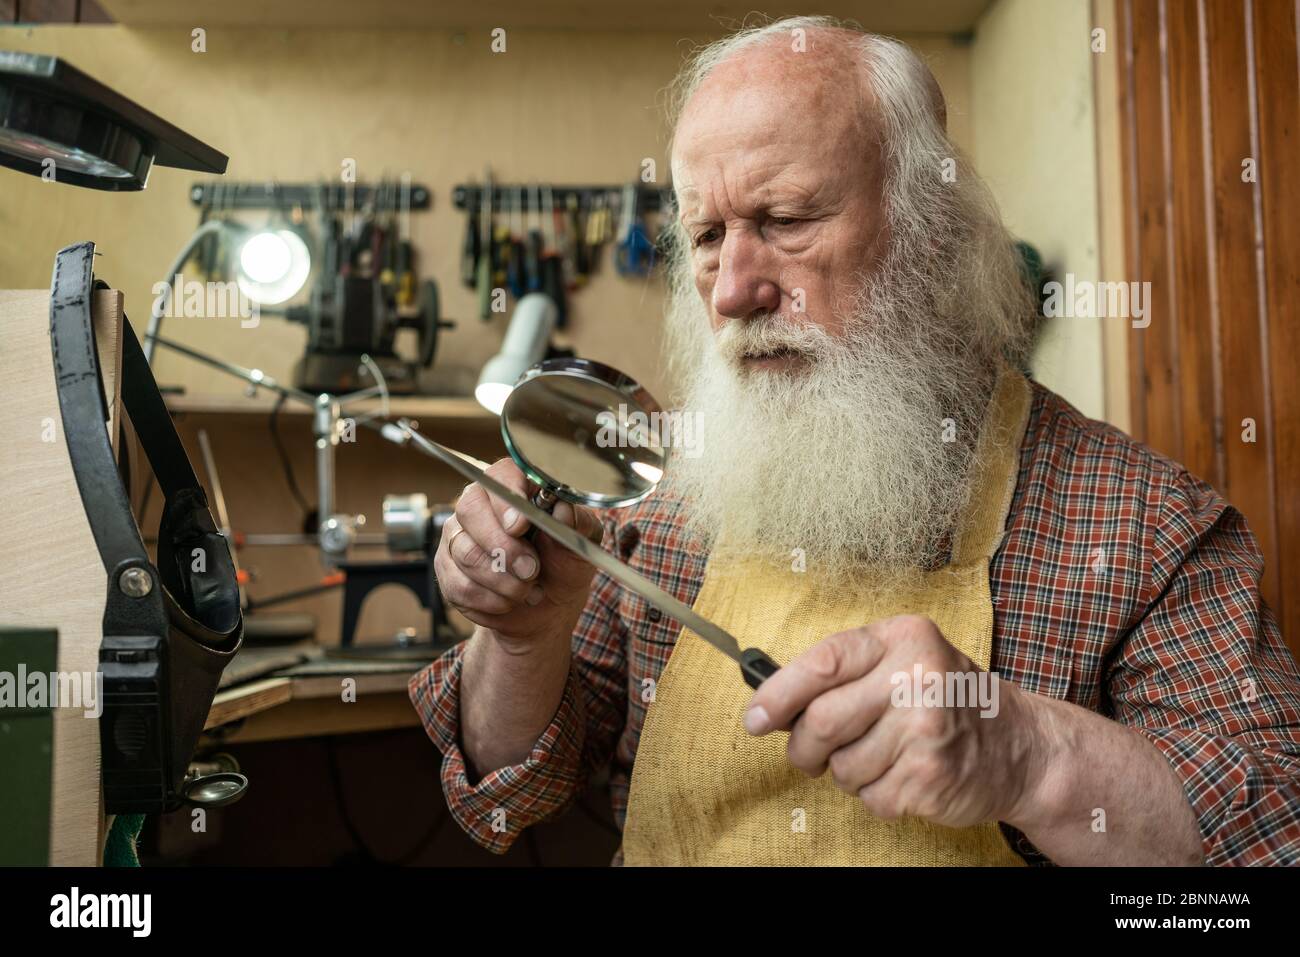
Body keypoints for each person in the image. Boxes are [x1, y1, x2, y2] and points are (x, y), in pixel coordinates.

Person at [411, 17, 1300, 865]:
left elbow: (1274, 833)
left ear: (932, 232)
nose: (734, 291)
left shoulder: (1137, 519)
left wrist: (1030, 755)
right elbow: (504, 799)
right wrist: (525, 642)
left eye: (788, 219)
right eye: (709, 237)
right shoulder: (667, 494)